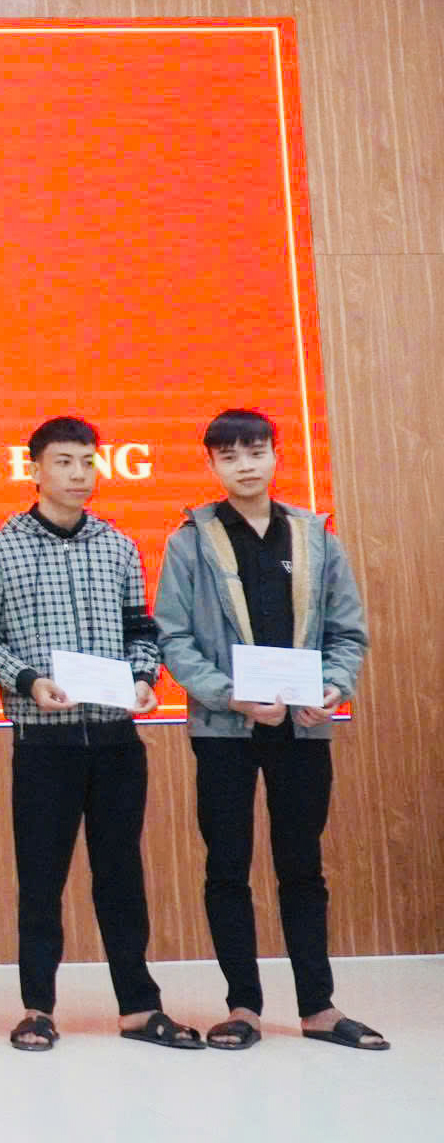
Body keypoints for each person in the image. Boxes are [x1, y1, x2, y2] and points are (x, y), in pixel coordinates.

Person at [157, 408, 386, 1051]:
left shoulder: (315, 536)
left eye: (256, 451)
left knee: (302, 867)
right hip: (224, 729)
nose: (245, 465)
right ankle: (243, 1007)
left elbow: (347, 632)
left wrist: (333, 686)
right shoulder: (190, 541)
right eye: (229, 456)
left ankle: (318, 1007)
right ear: (211, 465)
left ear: (276, 456)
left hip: (302, 730)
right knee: (227, 868)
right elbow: (173, 638)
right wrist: (229, 696)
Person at [0, 416, 203, 1053]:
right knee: (41, 880)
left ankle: (139, 1007)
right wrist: (26, 680)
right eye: (64, 462)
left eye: (87, 462)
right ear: (34, 470)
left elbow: (141, 630)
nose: (79, 475)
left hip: (114, 740)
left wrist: (143, 678)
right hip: (43, 743)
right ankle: (36, 1009)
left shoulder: (119, 546)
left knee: (121, 875)